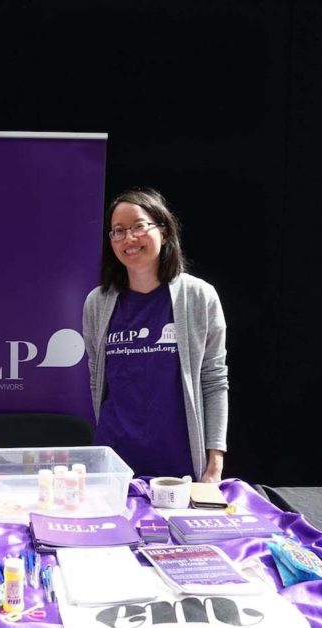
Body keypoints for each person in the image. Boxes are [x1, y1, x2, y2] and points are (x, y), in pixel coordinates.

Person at [83, 188, 228, 482]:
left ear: (163, 230)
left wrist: (214, 463)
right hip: (114, 463)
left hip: (181, 464)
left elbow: (213, 381)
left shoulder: (198, 296)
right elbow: (99, 380)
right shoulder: (97, 303)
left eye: (139, 226)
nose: (129, 239)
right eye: (118, 231)